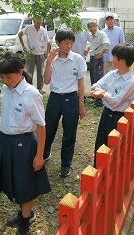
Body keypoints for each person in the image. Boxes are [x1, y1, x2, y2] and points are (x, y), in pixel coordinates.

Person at [0, 52, 51, 235]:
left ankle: (24, 222)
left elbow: (41, 126)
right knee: (12, 181)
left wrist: (39, 155)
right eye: (2, 77)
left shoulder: (31, 94)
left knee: (25, 185)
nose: (5, 81)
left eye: (8, 76)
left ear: (20, 72)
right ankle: (25, 213)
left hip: (23, 146)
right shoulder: (6, 89)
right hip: (4, 142)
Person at [43, 29, 87, 177]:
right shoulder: (52, 59)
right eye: (66, 43)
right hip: (55, 97)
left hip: (71, 99)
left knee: (69, 133)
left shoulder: (78, 59)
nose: (69, 46)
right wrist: (49, 61)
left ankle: (66, 164)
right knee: (48, 128)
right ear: (58, 43)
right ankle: (44, 153)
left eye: (71, 43)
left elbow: (81, 83)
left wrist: (81, 105)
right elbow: (46, 81)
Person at [90, 43, 134, 166]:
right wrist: (100, 91)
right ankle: (98, 170)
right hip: (106, 113)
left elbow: (116, 102)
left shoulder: (131, 83)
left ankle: (109, 174)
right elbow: (96, 85)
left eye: (114, 57)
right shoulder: (112, 74)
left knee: (114, 148)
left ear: (122, 61)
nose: (112, 59)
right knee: (100, 144)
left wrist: (102, 94)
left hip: (119, 118)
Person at [18, 16, 51, 94]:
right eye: (38, 22)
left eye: (41, 22)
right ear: (34, 21)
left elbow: (48, 42)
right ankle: (29, 87)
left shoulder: (43, 30)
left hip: (40, 53)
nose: (40, 23)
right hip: (30, 53)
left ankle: (40, 88)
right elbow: (20, 34)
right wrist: (23, 45)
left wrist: (47, 52)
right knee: (29, 72)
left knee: (40, 72)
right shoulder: (28, 28)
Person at [87, 19, 110, 107]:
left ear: (97, 26)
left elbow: (107, 44)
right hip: (92, 58)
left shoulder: (101, 34)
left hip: (98, 59)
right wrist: (87, 49)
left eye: (94, 26)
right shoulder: (91, 35)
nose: (92, 28)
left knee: (98, 79)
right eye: (90, 27)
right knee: (92, 77)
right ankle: (94, 97)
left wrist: (101, 54)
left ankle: (99, 101)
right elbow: (92, 45)